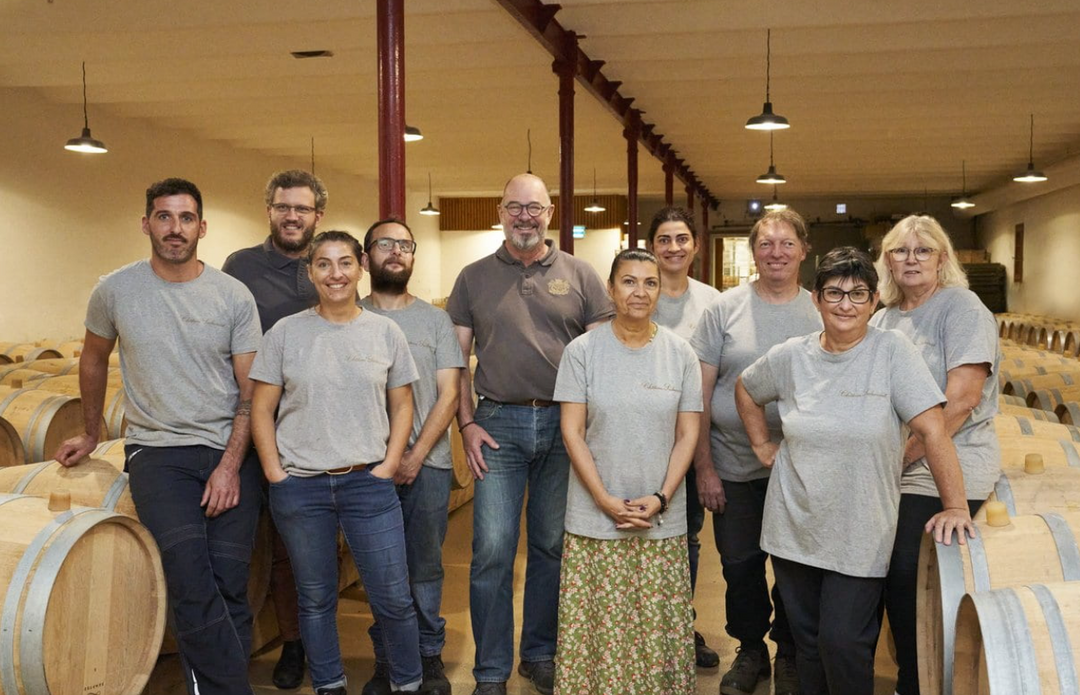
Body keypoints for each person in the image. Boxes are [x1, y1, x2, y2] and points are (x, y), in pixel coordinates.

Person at [734, 246, 976, 695]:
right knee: (806, 645)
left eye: (858, 294)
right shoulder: (791, 356)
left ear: (873, 301)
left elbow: (934, 429)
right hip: (794, 528)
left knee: (843, 643)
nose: (846, 305)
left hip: (861, 530)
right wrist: (762, 445)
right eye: (834, 293)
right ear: (817, 299)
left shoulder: (892, 353)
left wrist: (956, 504)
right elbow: (746, 389)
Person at [55, 178, 263, 695]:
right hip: (158, 453)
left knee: (230, 584)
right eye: (164, 217)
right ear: (146, 223)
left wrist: (230, 466)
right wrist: (90, 430)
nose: (175, 228)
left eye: (186, 218)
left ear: (202, 227)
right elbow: (94, 358)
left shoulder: (232, 295)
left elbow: (250, 390)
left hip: (227, 448)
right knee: (190, 580)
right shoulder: (115, 290)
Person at [445, 173, 615, 695]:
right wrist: (466, 423)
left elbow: (599, 358)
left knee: (549, 546)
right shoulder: (472, 278)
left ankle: (539, 653)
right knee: (493, 549)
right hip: (498, 425)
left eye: (534, 207)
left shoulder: (582, 275)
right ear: (500, 211)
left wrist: (587, 428)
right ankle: (491, 671)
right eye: (514, 207)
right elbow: (455, 363)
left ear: (550, 212)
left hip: (565, 428)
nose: (524, 216)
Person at [250, 230, 422, 695]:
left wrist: (388, 465)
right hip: (300, 487)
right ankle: (330, 685)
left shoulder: (385, 332)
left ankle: (407, 683)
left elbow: (403, 405)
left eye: (344, 263)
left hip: (368, 482)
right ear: (311, 273)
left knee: (392, 598)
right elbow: (260, 408)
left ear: (360, 267)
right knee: (316, 598)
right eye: (323, 264)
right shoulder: (286, 333)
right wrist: (274, 473)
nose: (335, 274)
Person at [552, 248, 702, 695]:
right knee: (598, 632)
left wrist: (660, 498)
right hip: (595, 518)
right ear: (611, 289)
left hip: (660, 517)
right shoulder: (581, 352)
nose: (640, 292)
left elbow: (687, 436)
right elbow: (572, 432)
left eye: (650, 282)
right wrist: (603, 499)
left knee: (654, 630)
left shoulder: (680, 354)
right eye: (629, 281)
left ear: (661, 290)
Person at [689, 209, 820, 695]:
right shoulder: (724, 309)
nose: (777, 253)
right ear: (753, 252)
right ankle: (749, 649)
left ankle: (787, 650)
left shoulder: (820, 309)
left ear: (804, 250)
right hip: (733, 463)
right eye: (766, 244)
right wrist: (705, 467)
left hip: (801, 466)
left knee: (795, 564)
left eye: (787, 244)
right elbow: (699, 395)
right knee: (739, 563)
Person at [870, 215, 1000, 695]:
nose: (911, 259)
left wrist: (901, 457)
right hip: (894, 465)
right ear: (887, 259)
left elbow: (961, 400)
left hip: (945, 466)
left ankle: (916, 680)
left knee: (905, 565)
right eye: (901, 251)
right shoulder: (884, 316)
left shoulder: (961, 308)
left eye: (923, 250)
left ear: (942, 259)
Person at [223, 168, 328, 689]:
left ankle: (308, 642)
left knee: (299, 545)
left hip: (313, 426)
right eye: (283, 207)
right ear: (269, 210)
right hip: (252, 422)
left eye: (302, 208)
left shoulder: (330, 265)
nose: (292, 216)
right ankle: (277, 643)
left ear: (317, 216)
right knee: (249, 542)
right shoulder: (239, 267)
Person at [359, 218, 465, 695]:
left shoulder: (434, 320)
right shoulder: (347, 316)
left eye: (405, 245)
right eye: (385, 244)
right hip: (366, 468)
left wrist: (415, 455)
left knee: (424, 566)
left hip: (429, 464)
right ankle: (388, 658)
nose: (396, 253)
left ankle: (427, 655)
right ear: (366, 258)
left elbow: (449, 392)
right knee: (379, 571)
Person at [644, 206, 721, 668]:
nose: (673, 247)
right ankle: (640, 624)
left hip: (688, 441)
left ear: (695, 245)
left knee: (685, 536)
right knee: (635, 535)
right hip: (637, 437)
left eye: (681, 239)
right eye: (664, 239)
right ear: (652, 246)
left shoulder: (713, 302)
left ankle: (678, 626)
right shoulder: (637, 294)